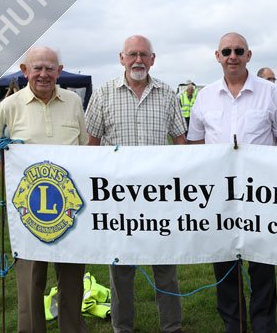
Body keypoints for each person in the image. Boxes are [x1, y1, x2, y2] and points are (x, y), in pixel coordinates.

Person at [187, 32, 277, 333]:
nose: (232, 56)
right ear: (217, 56)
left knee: (262, 267)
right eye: (226, 51)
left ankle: (263, 326)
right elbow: (195, 142)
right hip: (219, 196)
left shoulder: (269, 93)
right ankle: (234, 326)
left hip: (261, 195)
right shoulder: (205, 95)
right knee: (225, 266)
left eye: (238, 51)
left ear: (249, 55)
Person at [85, 35, 185, 333]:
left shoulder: (167, 93)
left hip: (159, 197)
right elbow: (91, 146)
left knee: (165, 267)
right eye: (132, 55)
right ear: (121, 58)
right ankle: (122, 328)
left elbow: (180, 142)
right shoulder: (102, 93)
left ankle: (172, 326)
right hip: (117, 198)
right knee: (120, 269)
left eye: (143, 54)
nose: (138, 60)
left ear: (152, 59)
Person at [0, 46, 88, 333]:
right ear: (24, 71)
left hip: (70, 208)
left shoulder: (73, 102)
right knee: (31, 281)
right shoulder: (10, 105)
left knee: (71, 279)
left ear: (59, 70)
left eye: (50, 68)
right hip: (27, 210)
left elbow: (83, 147)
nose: (44, 74)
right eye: (38, 68)